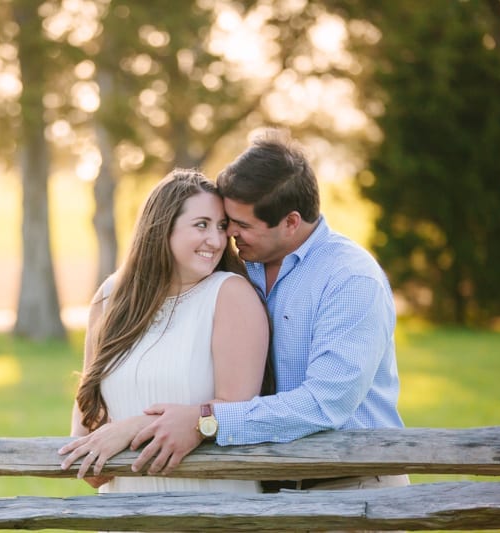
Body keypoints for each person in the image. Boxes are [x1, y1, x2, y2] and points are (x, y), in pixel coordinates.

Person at [126, 128, 409, 493]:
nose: (230, 236)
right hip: (269, 486)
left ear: (291, 222)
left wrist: (205, 421)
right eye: (229, 223)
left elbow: (324, 404)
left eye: (243, 226)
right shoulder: (237, 267)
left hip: (351, 483)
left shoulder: (351, 280)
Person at [58, 168, 271, 494]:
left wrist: (132, 429)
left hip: (212, 508)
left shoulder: (229, 294)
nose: (215, 241)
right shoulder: (110, 297)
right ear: (162, 227)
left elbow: (239, 410)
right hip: (125, 512)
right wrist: (91, 449)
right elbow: (86, 428)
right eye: (201, 225)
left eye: (221, 227)